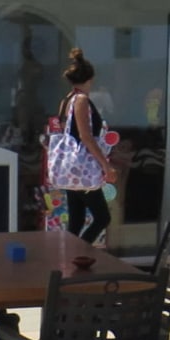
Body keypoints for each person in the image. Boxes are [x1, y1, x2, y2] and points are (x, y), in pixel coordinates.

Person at [49, 48, 116, 245]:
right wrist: (106, 166)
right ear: (90, 79)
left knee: (76, 221)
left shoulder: (66, 101)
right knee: (102, 217)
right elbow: (85, 137)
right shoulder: (81, 100)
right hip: (83, 168)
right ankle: (79, 254)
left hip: (71, 168)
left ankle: (68, 257)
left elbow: (67, 133)